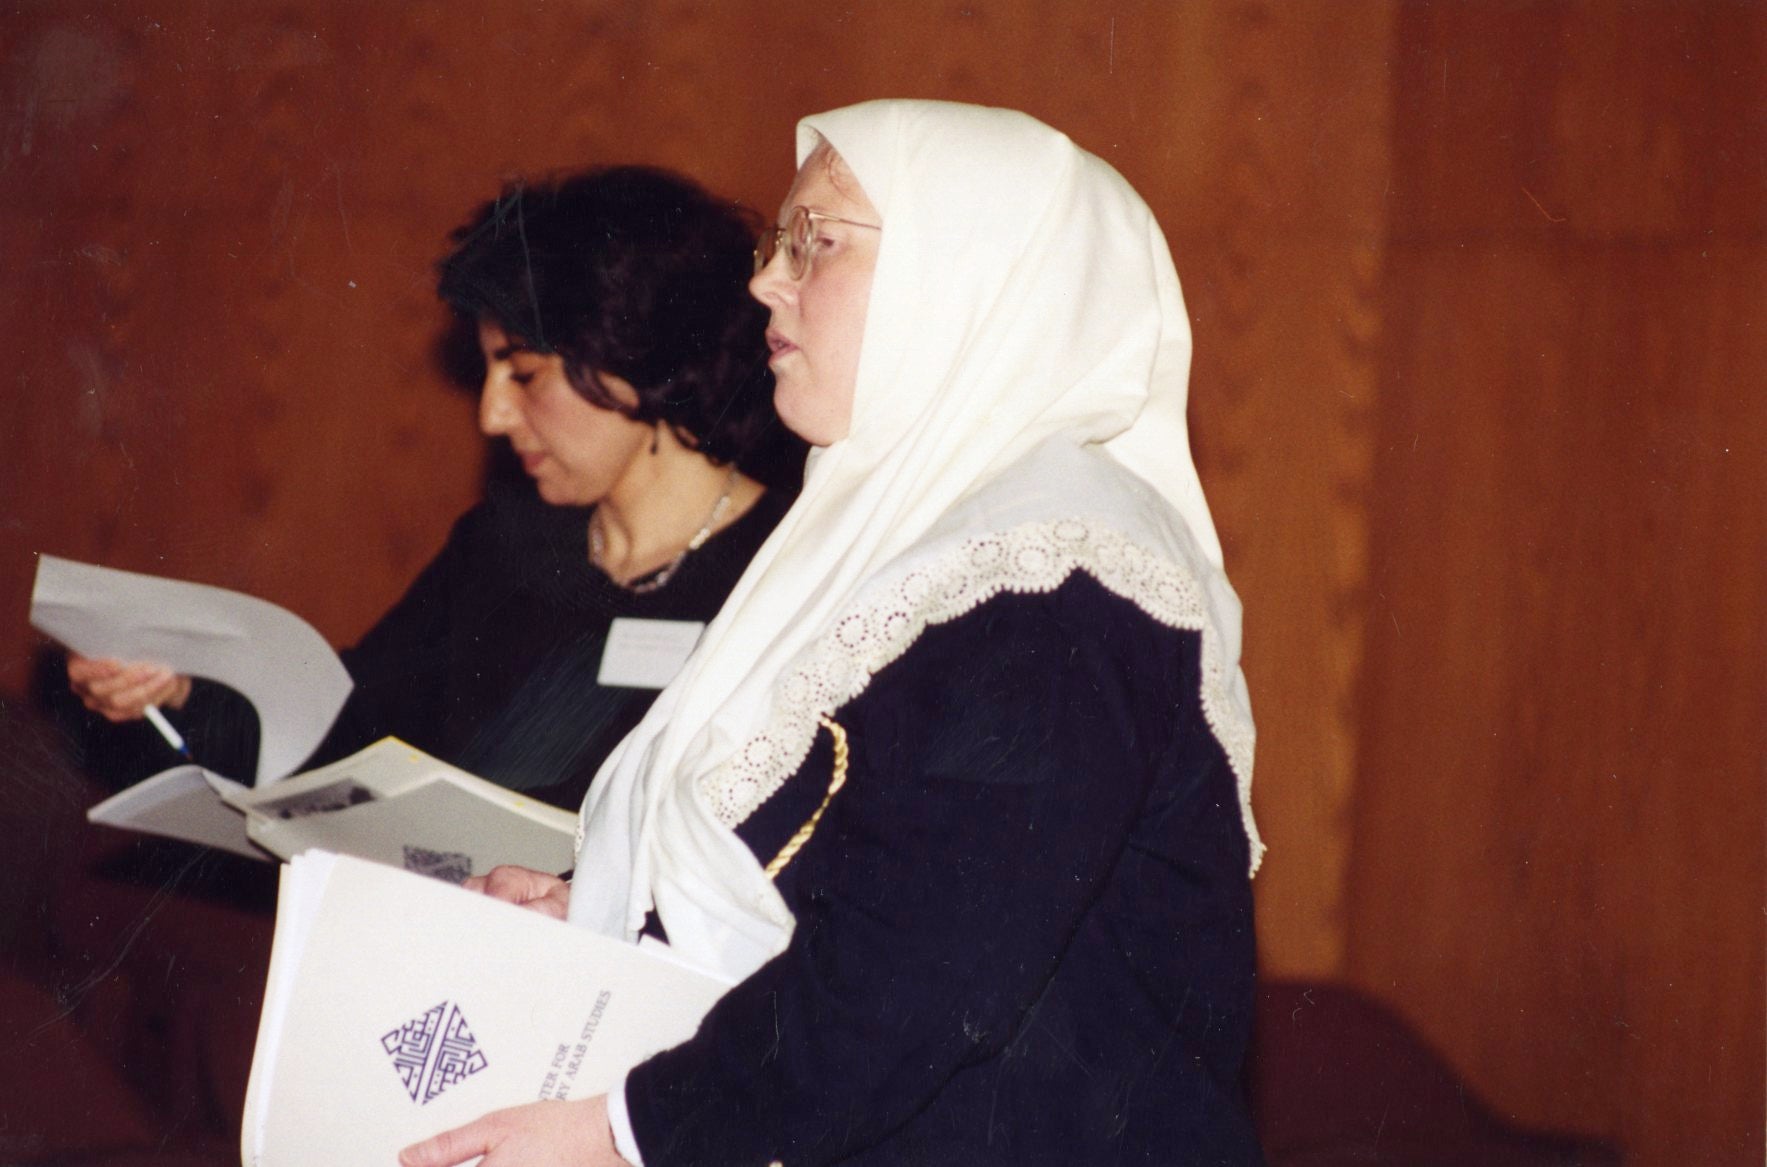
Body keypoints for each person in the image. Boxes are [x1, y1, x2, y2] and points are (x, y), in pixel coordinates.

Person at [404, 100, 1266, 1166]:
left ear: (970, 278)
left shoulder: (1061, 573)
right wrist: (608, 904)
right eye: (778, 242)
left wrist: (623, 1133)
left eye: (817, 242)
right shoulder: (887, 541)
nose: (766, 279)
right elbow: (850, 861)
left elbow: (925, 971)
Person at [64, 166, 802, 810]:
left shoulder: (789, 565)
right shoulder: (502, 543)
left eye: (521, 373)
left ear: (631, 354)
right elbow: (340, 739)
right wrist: (176, 693)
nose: (490, 413)